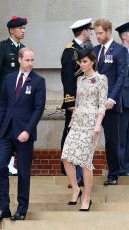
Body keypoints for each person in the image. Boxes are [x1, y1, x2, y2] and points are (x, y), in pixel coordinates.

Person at [0, 48, 46, 221]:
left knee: (23, 172)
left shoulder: (38, 81)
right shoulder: (9, 79)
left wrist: (28, 131)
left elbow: (38, 109)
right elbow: (3, 106)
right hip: (6, 132)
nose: (30, 63)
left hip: (24, 134)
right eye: (27, 60)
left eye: (32, 60)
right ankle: (3, 208)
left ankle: (21, 209)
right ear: (20, 60)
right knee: (0, 168)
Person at [61, 48, 108, 211]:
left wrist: (97, 125)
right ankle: (76, 189)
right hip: (77, 122)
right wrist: (72, 121)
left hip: (91, 124)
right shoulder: (79, 80)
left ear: (92, 61)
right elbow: (78, 102)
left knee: (85, 162)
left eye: (85, 61)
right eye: (80, 62)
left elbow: (102, 105)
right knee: (66, 157)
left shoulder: (101, 79)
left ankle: (87, 197)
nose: (82, 64)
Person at [0, 16, 27, 175]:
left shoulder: (24, 49)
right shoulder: (2, 49)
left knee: (16, 129)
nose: (23, 31)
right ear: (12, 30)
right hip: (5, 100)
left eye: (24, 28)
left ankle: (12, 163)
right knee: (4, 130)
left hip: (19, 99)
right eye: (20, 28)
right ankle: (6, 163)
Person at [93, 19, 128, 185]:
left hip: (111, 104)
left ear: (108, 32)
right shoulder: (94, 50)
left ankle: (113, 173)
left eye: (100, 33)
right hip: (94, 104)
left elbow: (121, 76)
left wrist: (113, 98)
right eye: (96, 33)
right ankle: (82, 174)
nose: (98, 36)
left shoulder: (120, 51)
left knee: (112, 140)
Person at [61, 18, 93, 187]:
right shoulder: (70, 50)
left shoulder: (87, 49)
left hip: (87, 102)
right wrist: (70, 102)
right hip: (75, 103)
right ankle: (71, 172)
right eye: (90, 30)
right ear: (84, 31)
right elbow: (67, 78)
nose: (91, 33)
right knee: (71, 137)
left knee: (84, 138)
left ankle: (81, 174)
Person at [115, 22, 129, 176]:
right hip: (122, 100)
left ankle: (127, 167)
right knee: (121, 137)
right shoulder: (117, 52)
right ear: (125, 36)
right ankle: (120, 167)